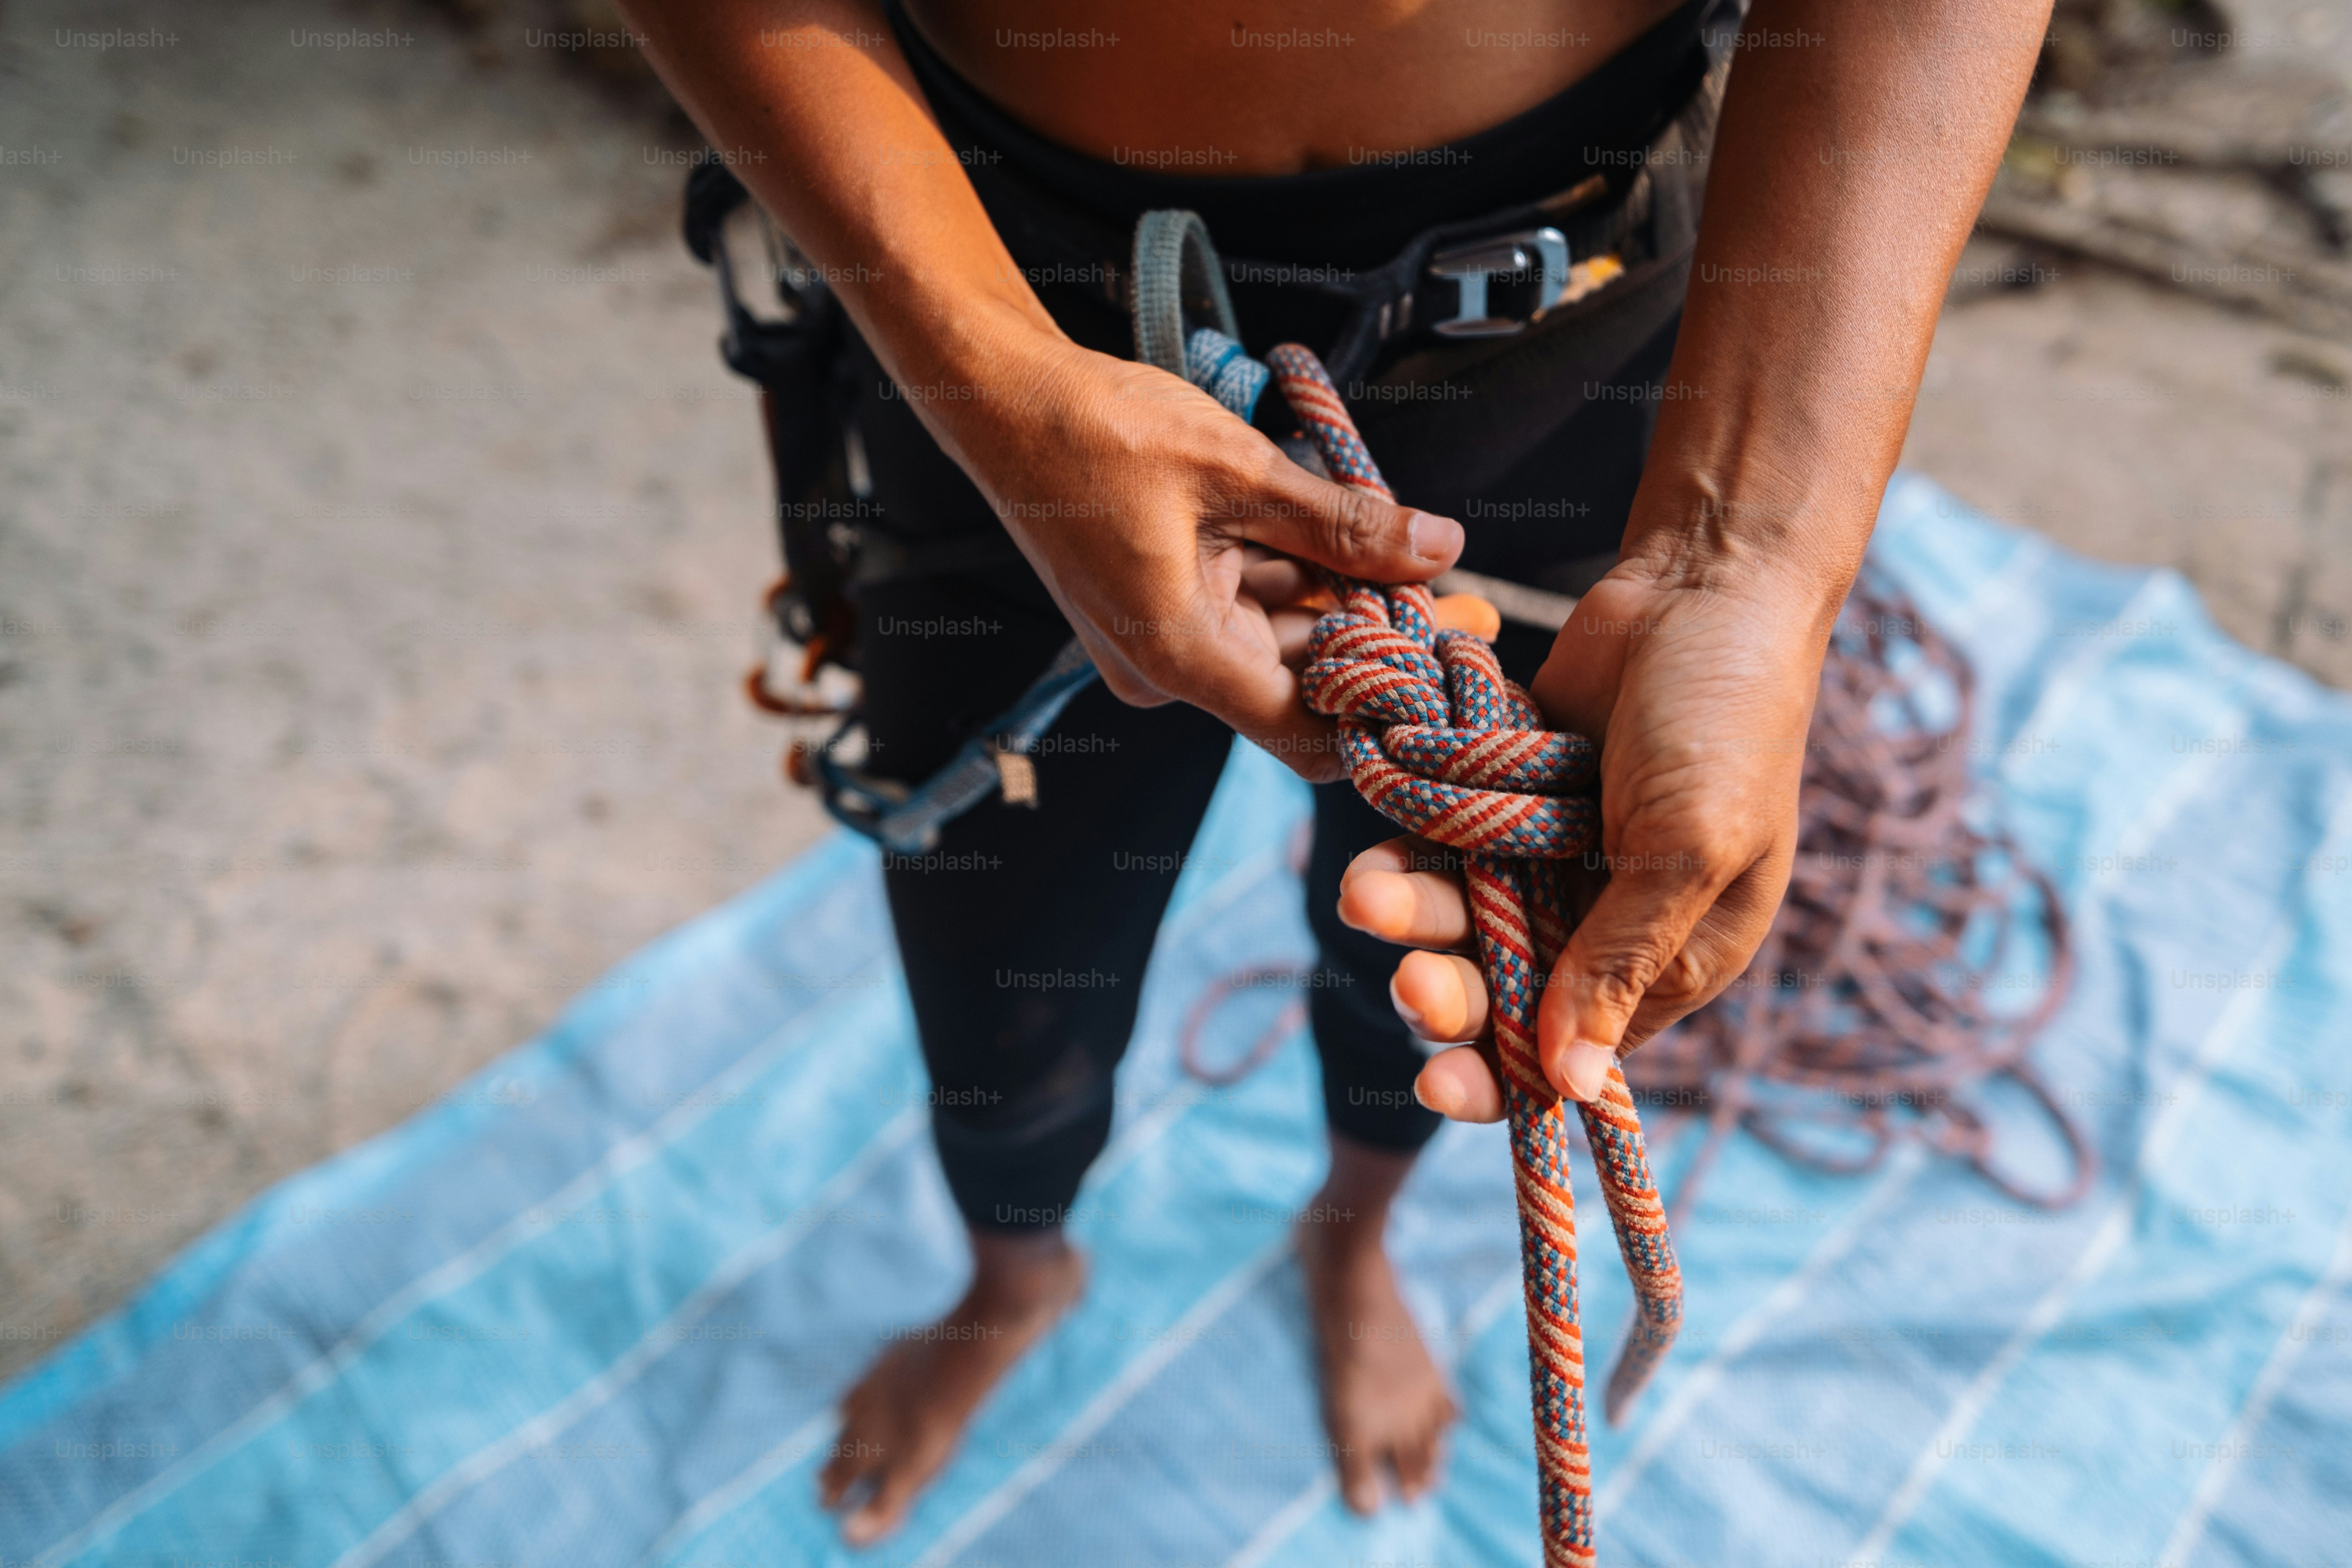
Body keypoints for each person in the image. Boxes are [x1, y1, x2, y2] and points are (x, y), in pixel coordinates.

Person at [621, 0, 2052, 1543]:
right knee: (997, 946)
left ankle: (1350, 1233)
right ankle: (1012, 1275)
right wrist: (978, 362)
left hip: (1572, 308)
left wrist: (1748, 563)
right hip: (996, 281)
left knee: (1451, 960)